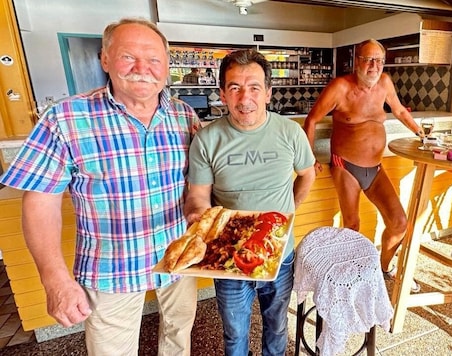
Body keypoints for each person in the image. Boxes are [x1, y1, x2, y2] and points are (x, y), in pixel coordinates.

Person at [0, 18, 201, 355]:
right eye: (128, 57)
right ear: (105, 60)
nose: (142, 68)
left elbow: (204, 179)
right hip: (111, 270)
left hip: (180, 259)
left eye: (154, 60)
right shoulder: (65, 118)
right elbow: (40, 203)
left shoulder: (184, 116)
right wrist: (56, 281)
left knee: (179, 339)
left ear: (167, 66)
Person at [184, 49, 316, 356]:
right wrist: (197, 214)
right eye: (235, 88)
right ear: (222, 95)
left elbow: (307, 175)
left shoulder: (290, 132)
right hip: (229, 260)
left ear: (268, 93)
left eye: (255, 87)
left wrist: (288, 214)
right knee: (234, 333)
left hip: (278, 255)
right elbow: (199, 195)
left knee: (277, 325)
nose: (245, 98)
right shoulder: (206, 140)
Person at [303, 38, 423, 291]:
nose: (374, 66)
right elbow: (312, 120)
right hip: (345, 165)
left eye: (378, 60)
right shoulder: (340, 87)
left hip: (376, 168)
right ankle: (353, 278)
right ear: (356, 62)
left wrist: (422, 133)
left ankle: (383, 268)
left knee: (400, 222)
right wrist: (309, 158)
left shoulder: (385, 83)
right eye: (368, 60)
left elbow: (400, 111)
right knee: (353, 225)